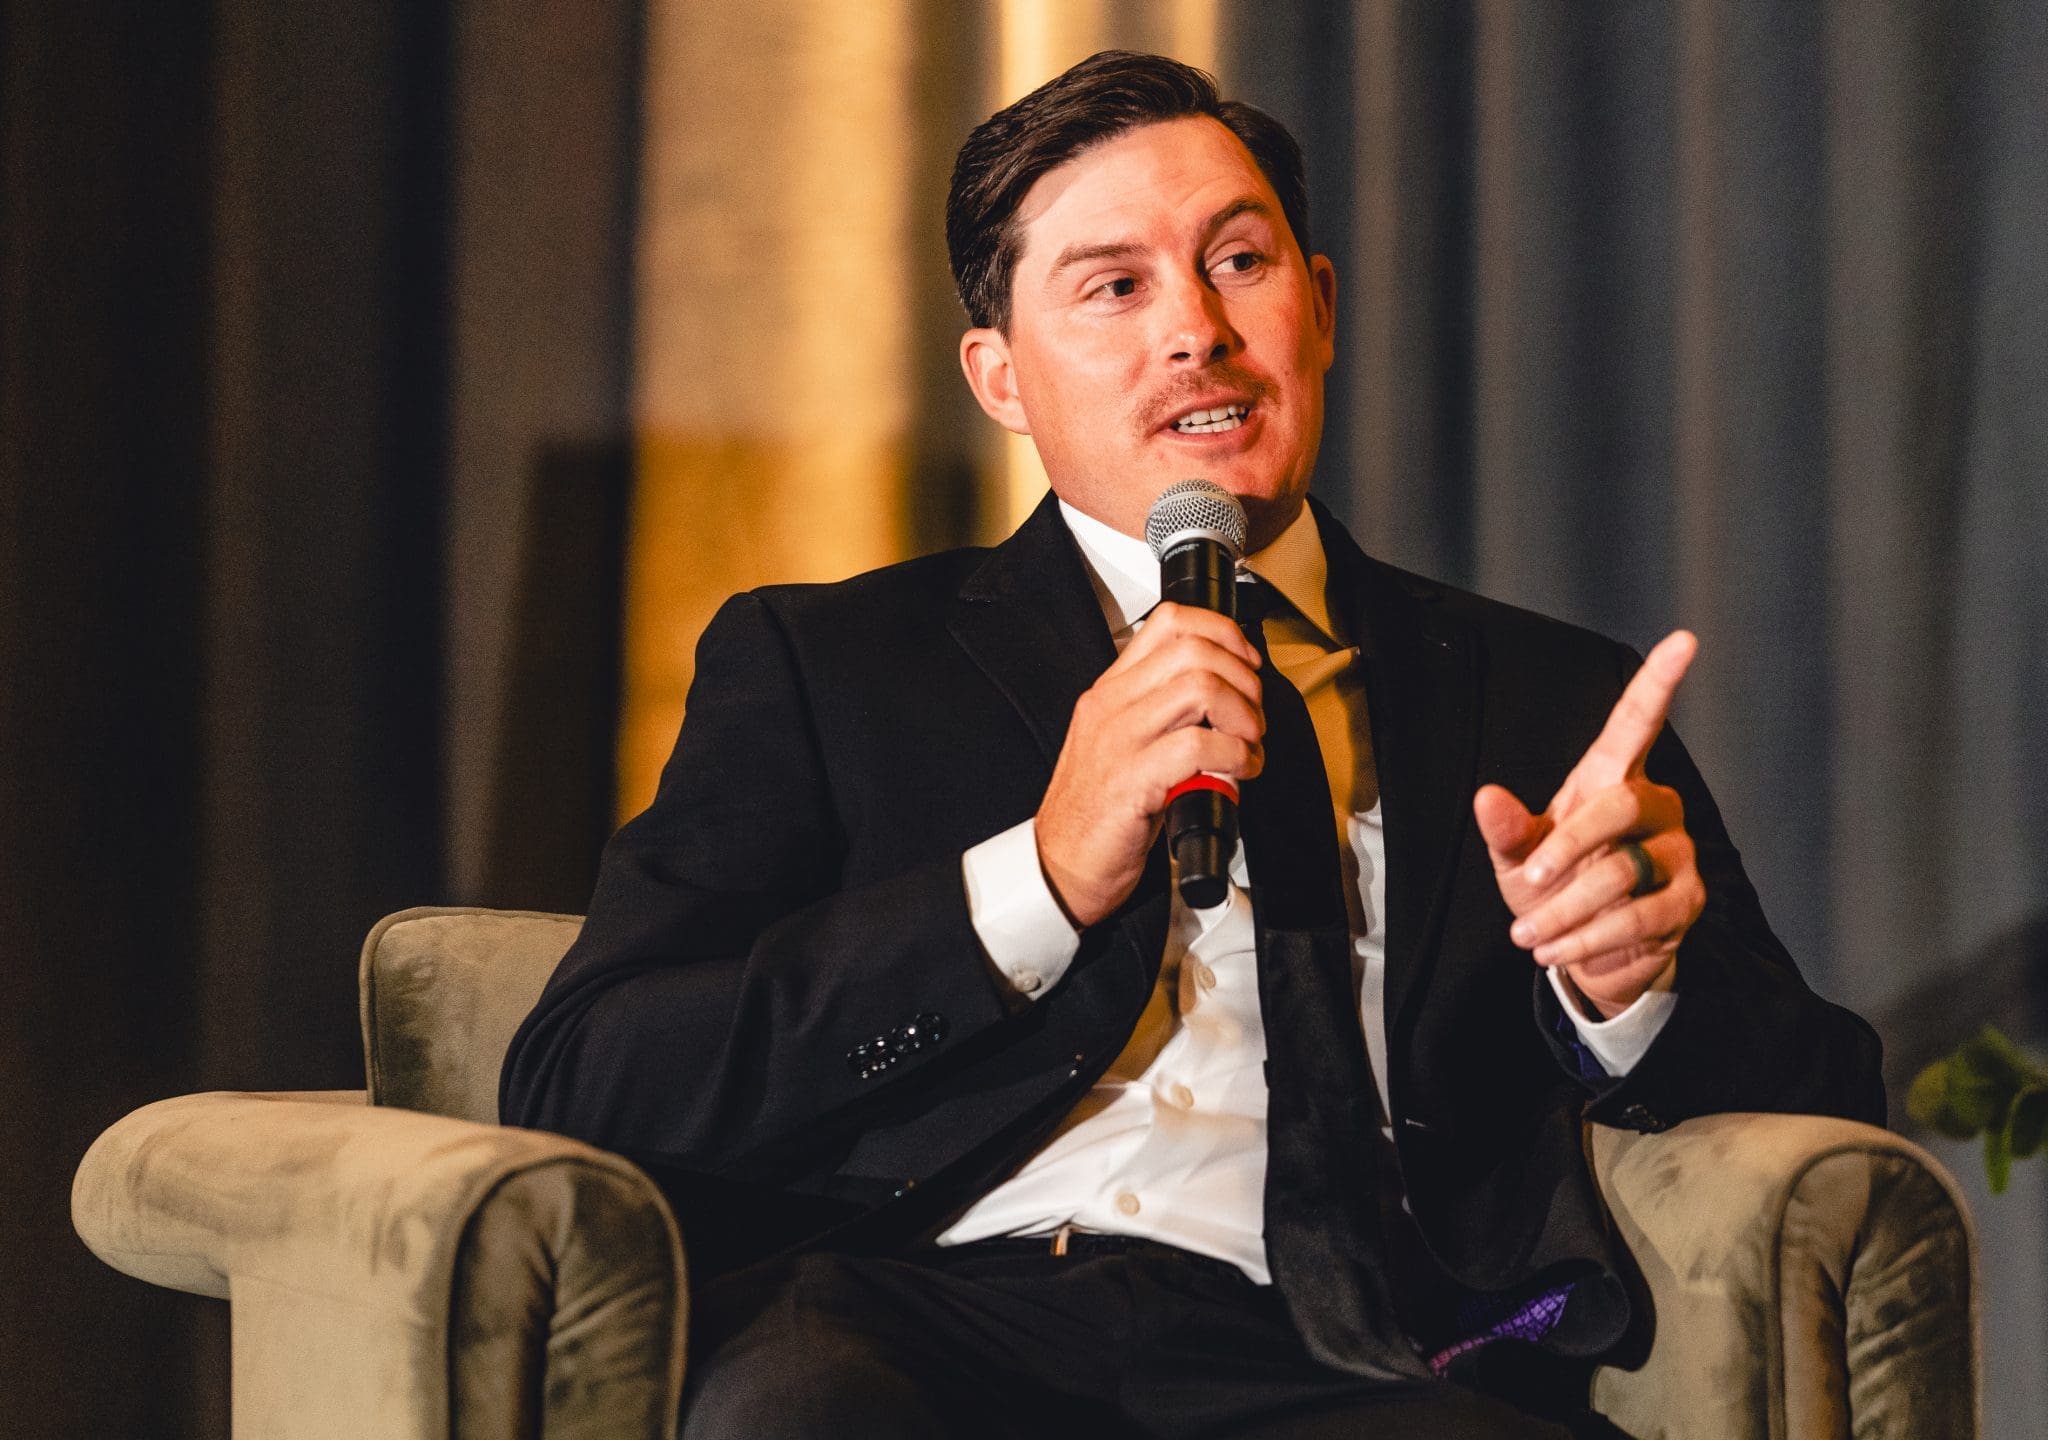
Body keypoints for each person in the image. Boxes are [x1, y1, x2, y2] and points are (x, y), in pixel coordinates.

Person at [501, 49, 1884, 1440]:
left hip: (1358, 1353)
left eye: (1239, 262)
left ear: (1320, 308)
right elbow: (587, 1083)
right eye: (1114, 286)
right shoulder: (834, 663)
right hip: (922, 1320)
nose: (1196, 332)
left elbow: (1829, 1113)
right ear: (999, 377)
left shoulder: (1544, 695)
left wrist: (1629, 992)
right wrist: (1037, 879)